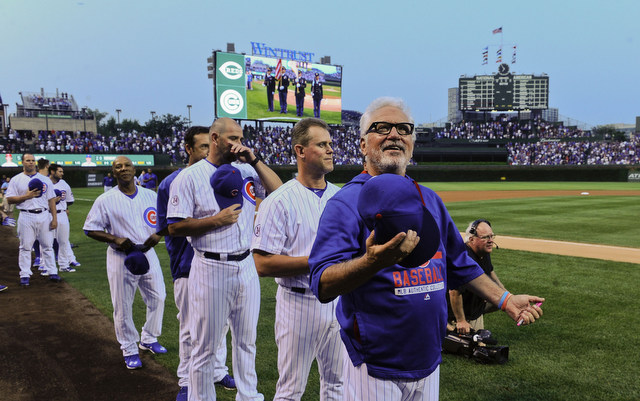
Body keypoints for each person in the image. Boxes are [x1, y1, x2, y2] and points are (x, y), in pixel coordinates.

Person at [308, 97, 544, 401]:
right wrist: (371, 263)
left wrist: (505, 299)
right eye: (381, 127)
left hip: (429, 358)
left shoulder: (429, 199)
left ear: (412, 143)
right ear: (363, 145)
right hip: (375, 363)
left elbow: (459, 262)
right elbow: (322, 283)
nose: (394, 134)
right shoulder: (345, 203)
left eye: (404, 128)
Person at [167, 117, 282, 401]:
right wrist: (214, 221)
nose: (237, 144)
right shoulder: (190, 177)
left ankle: (248, 395)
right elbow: (174, 227)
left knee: (247, 341)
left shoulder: (245, 170)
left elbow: (279, 193)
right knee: (204, 347)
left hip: (245, 265)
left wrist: (254, 160)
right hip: (210, 265)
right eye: (232, 138)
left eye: (240, 138)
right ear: (215, 139)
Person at [252, 118, 343, 400]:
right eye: (322, 144)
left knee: (339, 384)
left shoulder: (341, 197)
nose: (330, 150)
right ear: (300, 151)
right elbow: (262, 264)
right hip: (299, 302)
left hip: (340, 302)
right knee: (291, 389)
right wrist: (317, 261)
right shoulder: (278, 201)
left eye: (330, 144)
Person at [156, 126, 236, 400]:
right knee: (191, 327)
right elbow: (168, 227)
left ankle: (217, 370)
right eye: (201, 147)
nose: (206, 151)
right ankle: (186, 380)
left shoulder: (223, 176)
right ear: (188, 149)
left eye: (207, 146)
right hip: (188, 264)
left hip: (221, 266)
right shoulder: (172, 183)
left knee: (220, 324)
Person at [83, 156, 167, 370]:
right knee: (122, 306)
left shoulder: (150, 194)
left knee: (159, 297)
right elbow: (89, 228)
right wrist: (114, 239)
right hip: (121, 256)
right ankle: (129, 349)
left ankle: (148, 338)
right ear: (113, 172)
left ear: (134, 169)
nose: (123, 169)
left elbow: (164, 221)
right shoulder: (105, 199)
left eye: (127, 165)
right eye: (118, 166)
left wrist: (158, 235)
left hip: (147, 252)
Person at [5, 154, 59, 286]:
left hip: (44, 215)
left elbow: (51, 199)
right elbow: (10, 199)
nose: (31, 163)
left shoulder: (44, 179)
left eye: (33, 161)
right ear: (22, 162)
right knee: (25, 247)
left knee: (47, 245)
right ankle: (25, 275)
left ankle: (52, 272)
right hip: (26, 215)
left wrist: (54, 218)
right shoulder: (16, 179)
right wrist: (26, 196)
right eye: (28, 160)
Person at [447, 219, 505, 334]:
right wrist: (461, 320)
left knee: (500, 300)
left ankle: (475, 315)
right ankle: (452, 323)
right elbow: (454, 292)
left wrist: (507, 296)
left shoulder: (483, 252)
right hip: (456, 309)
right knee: (477, 347)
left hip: (472, 305)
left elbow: (491, 273)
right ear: (471, 239)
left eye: (492, 236)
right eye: (485, 237)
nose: (490, 241)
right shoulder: (464, 258)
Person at [48, 163, 81, 273]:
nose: (62, 173)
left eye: (62, 171)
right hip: (47, 214)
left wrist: (64, 207)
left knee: (63, 241)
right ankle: (46, 267)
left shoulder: (64, 184)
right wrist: (52, 202)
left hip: (61, 214)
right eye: (60, 171)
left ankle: (63, 265)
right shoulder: (45, 183)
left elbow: (70, 200)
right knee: (46, 242)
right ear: (52, 172)